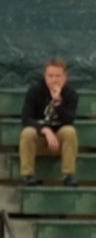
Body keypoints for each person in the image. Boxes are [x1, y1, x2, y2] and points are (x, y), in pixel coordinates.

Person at [20, 57, 79, 187]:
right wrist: (45, 130)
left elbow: (69, 120)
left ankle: (68, 175)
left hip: (58, 143)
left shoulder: (71, 94)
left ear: (65, 77)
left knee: (70, 131)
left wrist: (57, 102)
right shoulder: (34, 91)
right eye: (50, 76)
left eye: (58, 76)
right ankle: (28, 175)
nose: (54, 80)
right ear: (45, 76)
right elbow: (26, 119)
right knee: (28, 132)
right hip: (38, 141)